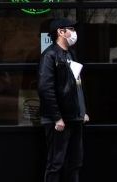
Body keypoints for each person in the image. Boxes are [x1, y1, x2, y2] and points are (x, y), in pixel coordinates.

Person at [37, 18, 88, 182]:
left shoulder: (70, 55)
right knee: (56, 164)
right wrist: (57, 117)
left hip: (74, 117)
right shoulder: (50, 55)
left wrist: (82, 111)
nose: (73, 33)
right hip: (59, 121)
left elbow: (76, 85)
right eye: (71, 29)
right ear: (60, 32)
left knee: (75, 162)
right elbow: (45, 89)